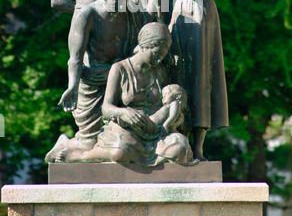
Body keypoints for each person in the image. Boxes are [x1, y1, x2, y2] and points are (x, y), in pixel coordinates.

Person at [54, 23, 194, 165]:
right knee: (120, 151)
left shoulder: (160, 71)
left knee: (181, 146)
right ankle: (80, 156)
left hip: (154, 131)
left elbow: (167, 104)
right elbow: (106, 108)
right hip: (127, 129)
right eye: (156, 54)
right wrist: (123, 113)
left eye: (162, 56)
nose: (158, 60)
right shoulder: (120, 69)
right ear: (144, 46)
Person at [155, 0, 228, 161]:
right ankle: (179, 139)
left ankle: (198, 148)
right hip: (179, 15)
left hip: (199, 15)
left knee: (198, 78)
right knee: (178, 75)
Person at [45, 0, 132, 162]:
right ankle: (64, 144)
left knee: (119, 134)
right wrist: (72, 86)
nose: (120, 2)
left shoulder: (130, 14)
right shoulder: (88, 14)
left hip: (120, 79)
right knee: (89, 143)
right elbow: (75, 57)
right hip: (92, 81)